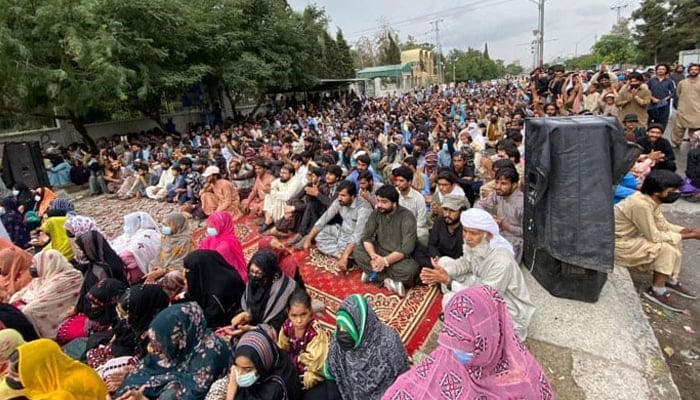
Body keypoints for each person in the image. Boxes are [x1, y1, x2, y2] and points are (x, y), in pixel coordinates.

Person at [382, 285, 554, 400]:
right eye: (453, 341)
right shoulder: (448, 354)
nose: (458, 353)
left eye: (467, 346)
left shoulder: (525, 377)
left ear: (489, 337)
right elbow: (415, 384)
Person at [421, 208, 535, 340]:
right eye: (465, 231)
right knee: (444, 262)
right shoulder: (476, 242)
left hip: (505, 306)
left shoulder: (501, 261)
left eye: (473, 233)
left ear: (489, 235)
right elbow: (465, 263)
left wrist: (448, 281)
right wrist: (443, 272)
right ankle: (461, 320)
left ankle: (467, 330)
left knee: (451, 299)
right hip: (480, 283)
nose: (467, 237)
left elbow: (485, 298)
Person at [614, 170, 700, 312]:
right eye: (673, 190)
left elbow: (663, 226)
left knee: (673, 239)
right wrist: (691, 235)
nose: (677, 192)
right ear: (657, 192)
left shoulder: (651, 201)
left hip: (627, 239)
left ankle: (670, 280)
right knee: (664, 249)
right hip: (615, 244)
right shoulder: (640, 204)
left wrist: (690, 230)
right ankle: (657, 290)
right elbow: (653, 236)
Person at [115, 302, 232, 400]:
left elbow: (193, 394)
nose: (152, 349)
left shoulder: (209, 356)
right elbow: (147, 367)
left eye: (159, 345)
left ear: (179, 338)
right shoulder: (182, 343)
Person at [324, 294, 408, 400]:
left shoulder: (388, 342)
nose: (341, 332)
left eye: (346, 328)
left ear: (361, 326)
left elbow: (404, 379)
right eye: (339, 326)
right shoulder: (338, 341)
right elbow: (332, 370)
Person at [354, 185, 419, 297]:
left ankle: (372, 272)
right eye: (378, 201)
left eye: (384, 202)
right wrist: (374, 256)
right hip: (379, 250)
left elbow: (406, 249)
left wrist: (384, 261)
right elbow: (366, 237)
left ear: (394, 203)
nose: (379, 205)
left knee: (411, 270)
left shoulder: (407, 217)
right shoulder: (376, 212)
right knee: (358, 251)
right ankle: (386, 280)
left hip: (398, 257)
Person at [205, 327, 303, 400]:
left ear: (262, 364)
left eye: (247, 369)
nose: (240, 374)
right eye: (238, 366)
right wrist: (232, 384)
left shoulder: (275, 389)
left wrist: (231, 393)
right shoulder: (271, 356)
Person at [9, 250, 83, 338]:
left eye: (36, 264)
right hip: (35, 303)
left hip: (55, 313)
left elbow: (40, 304)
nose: (33, 267)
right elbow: (27, 292)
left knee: (27, 312)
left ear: (47, 264)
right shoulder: (45, 275)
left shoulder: (69, 278)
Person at [302, 181, 373, 274]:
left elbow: (357, 235)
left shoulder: (364, 209)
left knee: (355, 249)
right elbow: (324, 218)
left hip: (358, 240)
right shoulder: (339, 201)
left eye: (343, 195)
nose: (339, 198)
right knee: (319, 235)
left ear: (352, 196)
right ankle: (342, 255)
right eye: (338, 195)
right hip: (342, 232)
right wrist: (309, 238)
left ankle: (346, 255)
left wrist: (345, 255)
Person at [4, 338, 108, 399]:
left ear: (40, 371)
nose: (26, 383)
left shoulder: (68, 390)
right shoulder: (55, 376)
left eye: (23, 375)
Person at [227, 249, 298, 336]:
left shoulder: (286, 291)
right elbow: (246, 305)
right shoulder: (252, 284)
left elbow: (282, 326)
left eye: (258, 273)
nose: (254, 276)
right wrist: (244, 316)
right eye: (252, 271)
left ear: (269, 273)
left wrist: (254, 330)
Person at [277, 290, 333, 393]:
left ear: (311, 312)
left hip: (310, 367)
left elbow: (317, 362)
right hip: (294, 363)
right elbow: (282, 349)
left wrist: (298, 359)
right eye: (294, 315)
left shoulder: (315, 332)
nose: (299, 320)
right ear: (288, 314)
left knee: (309, 379)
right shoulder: (287, 327)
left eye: (303, 314)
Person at [183, 250, 247, 328]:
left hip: (228, 323)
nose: (184, 273)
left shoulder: (214, 295)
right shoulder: (227, 273)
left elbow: (210, 320)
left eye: (188, 270)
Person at [475, 167, 525, 262]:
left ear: (514, 185)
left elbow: (526, 233)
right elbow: (479, 204)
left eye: (503, 184)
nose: (498, 186)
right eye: (497, 182)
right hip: (497, 235)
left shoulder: (521, 204)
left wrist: (506, 227)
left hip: (514, 241)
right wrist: (489, 218)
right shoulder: (498, 193)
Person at [144, 212, 195, 293]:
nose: (164, 228)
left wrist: (164, 271)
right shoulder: (165, 238)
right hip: (164, 268)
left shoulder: (186, 241)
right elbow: (159, 256)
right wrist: (156, 268)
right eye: (163, 225)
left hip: (179, 270)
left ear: (177, 225)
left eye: (167, 225)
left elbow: (183, 264)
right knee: (150, 264)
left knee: (173, 275)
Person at [413, 194, 466, 270]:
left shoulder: (466, 227)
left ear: (461, 212)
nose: (447, 214)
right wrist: (437, 257)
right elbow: (432, 244)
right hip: (439, 258)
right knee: (418, 251)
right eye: (445, 209)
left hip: (457, 262)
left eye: (452, 211)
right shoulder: (440, 220)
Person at [110, 211, 161, 283]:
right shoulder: (134, 234)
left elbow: (129, 253)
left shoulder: (147, 234)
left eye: (128, 224)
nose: (126, 227)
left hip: (138, 269)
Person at [198, 211, 248, 282]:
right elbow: (201, 248)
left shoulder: (226, 244)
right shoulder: (214, 237)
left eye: (212, 226)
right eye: (208, 226)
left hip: (229, 274)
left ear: (221, 226)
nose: (209, 229)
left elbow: (214, 261)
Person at [261, 164, 304, 233]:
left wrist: (272, 191)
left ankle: (276, 222)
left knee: (277, 196)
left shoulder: (296, 181)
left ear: (291, 174)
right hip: (283, 203)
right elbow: (273, 184)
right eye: (281, 172)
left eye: (284, 173)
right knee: (269, 194)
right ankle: (268, 219)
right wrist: (268, 187)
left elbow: (287, 196)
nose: (281, 174)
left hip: (292, 205)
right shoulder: (283, 179)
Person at [391, 166, 429, 245]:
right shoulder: (393, 194)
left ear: (410, 182)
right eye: (397, 180)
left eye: (401, 181)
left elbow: (421, 222)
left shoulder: (418, 198)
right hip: (395, 227)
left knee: (422, 235)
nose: (398, 183)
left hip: (414, 229)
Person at [672, 63, 700, 148]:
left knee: (695, 128)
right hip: (683, 109)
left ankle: (694, 144)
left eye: (696, 69)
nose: (693, 71)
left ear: (698, 71)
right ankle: (676, 143)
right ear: (688, 71)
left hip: (697, 110)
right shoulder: (682, 83)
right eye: (692, 69)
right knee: (678, 128)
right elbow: (678, 93)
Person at [647, 64, 676, 130]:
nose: (661, 71)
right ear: (656, 70)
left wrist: (665, 99)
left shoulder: (670, 81)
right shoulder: (651, 81)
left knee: (662, 123)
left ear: (666, 71)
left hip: (664, 105)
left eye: (663, 69)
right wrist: (652, 98)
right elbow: (646, 91)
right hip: (652, 104)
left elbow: (673, 92)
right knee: (650, 122)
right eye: (659, 69)